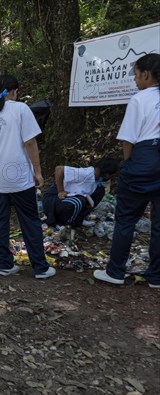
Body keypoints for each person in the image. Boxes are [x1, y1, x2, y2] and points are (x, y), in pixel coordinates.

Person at [0, 74, 55, 279]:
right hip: (18, 175)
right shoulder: (20, 109)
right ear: (13, 91)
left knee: (0, 221)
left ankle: (5, 264)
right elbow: (30, 143)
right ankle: (40, 267)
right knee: (29, 220)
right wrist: (37, 171)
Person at [94, 53, 160, 288]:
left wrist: (130, 166)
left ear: (146, 74)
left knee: (125, 220)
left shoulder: (140, 99)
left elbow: (128, 141)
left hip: (143, 161)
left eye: (135, 74)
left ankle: (115, 271)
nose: (134, 80)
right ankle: (157, 276)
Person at [43, 158, 120, 227]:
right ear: (107, 175)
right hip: (54, 198)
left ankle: (78, 221)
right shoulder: (86, 173)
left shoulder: (99, 179)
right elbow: (59, 169)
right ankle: (67, 224)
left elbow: (101, 186)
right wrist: (61, 191)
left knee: (98, 193)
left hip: (71, 197)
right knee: (79, 202)